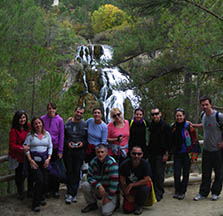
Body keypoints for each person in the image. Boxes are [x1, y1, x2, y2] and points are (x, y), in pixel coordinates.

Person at [193, 96, 223, 201]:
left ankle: (215, 192)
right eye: (203, 105)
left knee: (219, 173)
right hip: (206, 150)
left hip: (218, 151)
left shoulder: (219, 116)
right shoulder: (203, 115)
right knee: (205, 173)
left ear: (211, 104)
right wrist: (193, 125)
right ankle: (203, 193)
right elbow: (204, 125)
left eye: (206, 104)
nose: (205, 106)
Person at [81, 144, 119, 216]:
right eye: (98, 152)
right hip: (100, 187)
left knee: (106, 213)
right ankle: (92, 204)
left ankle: (115, 201)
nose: (100, 154)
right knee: (85, 185)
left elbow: (114, 183)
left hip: (110, 190)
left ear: (106, 153)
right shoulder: (93, 161)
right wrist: (99, 186)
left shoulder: (112, 163)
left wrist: (109, 197)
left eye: (102, 152)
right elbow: (89, 177)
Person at [24, 117, 52, 212]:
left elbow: (50, 146)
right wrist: (30, 160)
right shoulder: (30, 135)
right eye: (35, 124)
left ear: (42, 124)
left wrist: (49, 158)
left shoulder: (47, 134)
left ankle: (40, 197)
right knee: (39, 180)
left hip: (44, 161)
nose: (38, 125)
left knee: (45, 181)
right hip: (34, 162)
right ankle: (35, 203)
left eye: (39, 123)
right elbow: (26, 148)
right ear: (33, 125)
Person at [171, 108, 199, 200]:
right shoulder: (173, 127)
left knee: (186, 173)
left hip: (187, 153)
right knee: (177, 173)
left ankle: (182, 192)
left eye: (180, 115)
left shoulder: (189, 127)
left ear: (184, 116)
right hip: (177, 153)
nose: (179, 117)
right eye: (177, 116)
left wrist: (194, 156)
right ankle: (177, 190)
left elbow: (194, 141)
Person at [63, 106, 88, 204]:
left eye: (81, 113)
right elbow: (63, 137)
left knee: (77, 171)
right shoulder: (67, 124)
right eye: (78, 112)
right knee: (69, 171)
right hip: (68, 151)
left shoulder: (85, 124)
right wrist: (67, 143)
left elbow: (86, 139)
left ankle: (73, 193)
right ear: (74, 112)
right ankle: (69, 193)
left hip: (79, 151)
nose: (79, 114)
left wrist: (82, 143)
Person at [147, 107, 171, 201]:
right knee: (152, 173)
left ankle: (159, 193)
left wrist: (166, 154)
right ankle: (153, 192)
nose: (155, 116)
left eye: (156, 114)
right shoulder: (151, 125)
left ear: (160, 114)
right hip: (151, 153)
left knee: (159, 174)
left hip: (161, 154)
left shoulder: (166, 126)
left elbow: (169, 142)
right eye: (153, 114)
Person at [119, 146, 152, 215]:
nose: (136, 156)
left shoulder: (145, 164)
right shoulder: (124, 164)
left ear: (142, 154)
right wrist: (126, 194)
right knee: (127, 210)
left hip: (139, 186)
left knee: (146, 186)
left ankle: (139, 205)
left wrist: (132, 185)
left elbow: (146, 180)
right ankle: (133, 202)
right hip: (129, 188)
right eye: (134, 154)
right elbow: (121, 180)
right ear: (130, 154)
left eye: (139, 154)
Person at [41, 102, 64, 198]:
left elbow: (61, 135)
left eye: (53, 108)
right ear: (47, 109)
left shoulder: (59, 120)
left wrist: (60, 150)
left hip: (55, 148)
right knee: (46, 169)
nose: (51, 110)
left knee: (56, 170)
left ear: (55, 109)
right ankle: (47, 190)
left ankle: (55, 190)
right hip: (45, 148)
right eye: (49, 108)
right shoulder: (42, 119)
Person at [8, 110, 30, 200]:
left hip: (25, 156)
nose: (22, 119)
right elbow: (12, 145)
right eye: (20, 118)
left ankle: (27, 191)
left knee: (26, 173)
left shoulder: (27, 127)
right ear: (17, 119)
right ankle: (20, 193)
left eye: (24, 117)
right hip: (17, 156)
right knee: (19, 175)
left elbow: (38, 123)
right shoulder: (13, 131)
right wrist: (22, 148)